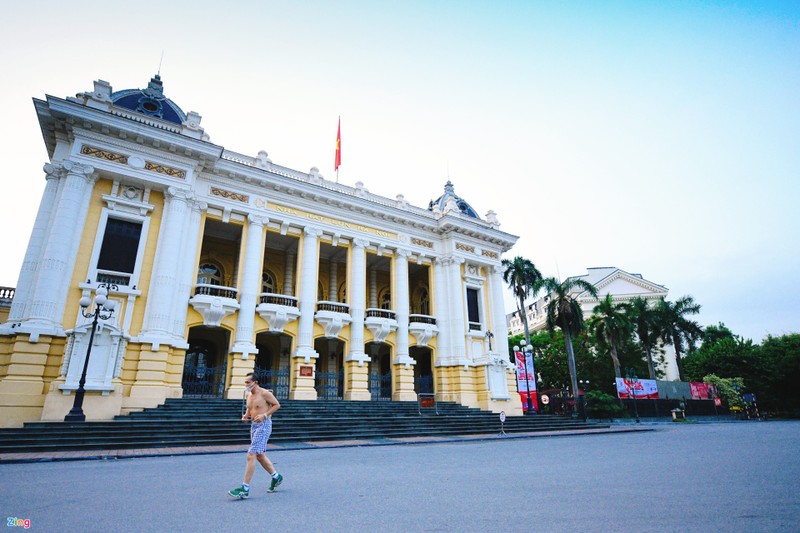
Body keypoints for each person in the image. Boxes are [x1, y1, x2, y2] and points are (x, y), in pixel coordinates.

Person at [228, 372, 283, 499]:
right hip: (254, 426)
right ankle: (276, 477)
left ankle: (244, 489)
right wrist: (246, 415)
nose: (246, 385)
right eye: (245, 382)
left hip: (264, 425)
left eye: (248, 382)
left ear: (255, 382)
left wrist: (264, 415)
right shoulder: (248, 394)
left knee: (251, 454)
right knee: (260, 455)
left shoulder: (264, 393)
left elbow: (277, 405)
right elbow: (250, 407)